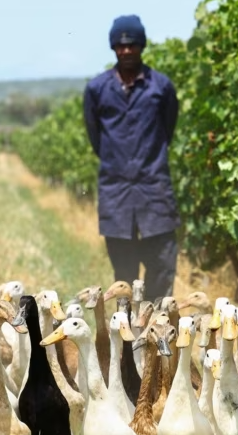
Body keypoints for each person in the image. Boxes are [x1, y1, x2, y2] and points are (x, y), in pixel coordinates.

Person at [83, 14, 180, 301]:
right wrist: (120, 163)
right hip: (116, 191)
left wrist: (147, 162)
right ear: (113, 48)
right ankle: (127, 341)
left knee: (162, 265)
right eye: (120, 46)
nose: (126, 51)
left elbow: (168, 130)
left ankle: (158, 330)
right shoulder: (97, 89)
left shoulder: (161, 87)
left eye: (132, 45)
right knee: (123, 274)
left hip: (154, 188)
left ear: (142, 46)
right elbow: (95, 138)